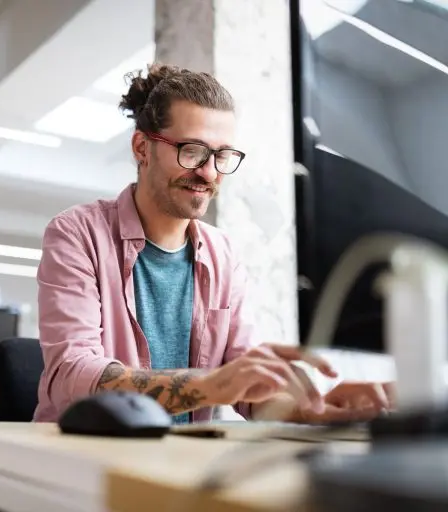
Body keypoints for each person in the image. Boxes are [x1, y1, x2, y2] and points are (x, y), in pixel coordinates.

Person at [34, 64, 392, 425]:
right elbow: (72, 375)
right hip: (85, 459)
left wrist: (317, 407)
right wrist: (211, 385)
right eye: (192, 151)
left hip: (182, 462)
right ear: (142, 147)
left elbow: (248, 389)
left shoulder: (223, 255)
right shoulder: (78, 233)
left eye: (222, 155)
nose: (208, 172)